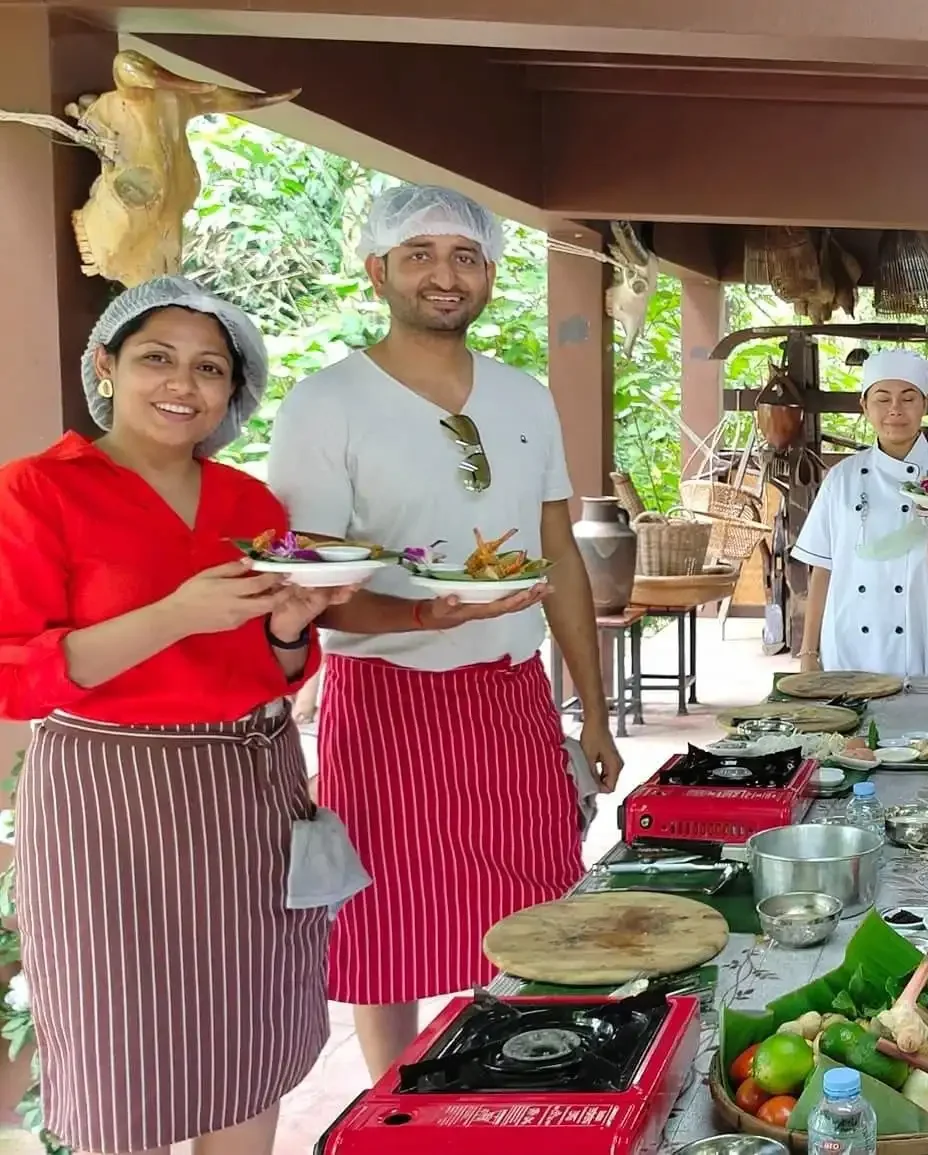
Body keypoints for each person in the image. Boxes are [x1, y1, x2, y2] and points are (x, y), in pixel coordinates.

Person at [265, 184, 623, 1078]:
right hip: (381, 696)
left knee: (536, 896)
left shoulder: (523, 397)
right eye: (419, 255)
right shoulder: (327, 402)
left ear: (491, 275)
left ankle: (519, 1079)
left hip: (508, 691)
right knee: (384, 920)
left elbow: (557, 557)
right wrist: (424, 610)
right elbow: (310, 585)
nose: (444, 275)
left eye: (464, 257)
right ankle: (396, 1101)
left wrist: (596, 711)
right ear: (377, 269)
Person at [0, 278, 357, 1155]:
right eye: (157, 357)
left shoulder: (250, 507)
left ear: (231, 392)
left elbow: (275, 674)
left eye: (209, 368)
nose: (182, 384)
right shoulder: (37, 491)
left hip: (249, 785)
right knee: (119, 1034)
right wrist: (172, 616)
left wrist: (287, 628)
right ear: (106, 367)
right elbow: (17, 678)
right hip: (107, 798)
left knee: (245, 1022)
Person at [793, 350, 928, 678]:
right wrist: (809, 652)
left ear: (925, 405)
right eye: (883, 399)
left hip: (923, 644)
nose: (895, 409)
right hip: (850, 642)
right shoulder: (842, 478)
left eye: (908, 399)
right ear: (864, 406)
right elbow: (822, 569)